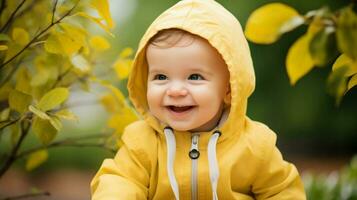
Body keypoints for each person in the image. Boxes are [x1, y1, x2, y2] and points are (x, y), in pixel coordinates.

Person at [90, 0, 306, 199]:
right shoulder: (142, 143)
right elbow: (119, 180)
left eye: (194, 77)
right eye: (161, 77)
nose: (174, 90)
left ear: (230, 89)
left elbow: (281, 191)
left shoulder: (254, 145)